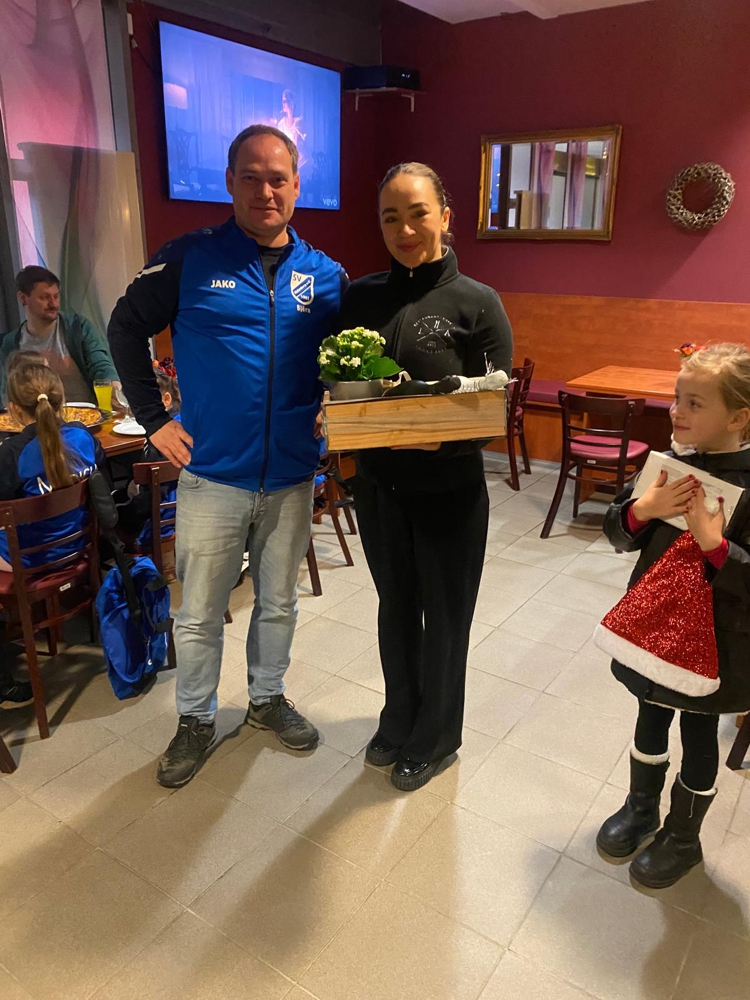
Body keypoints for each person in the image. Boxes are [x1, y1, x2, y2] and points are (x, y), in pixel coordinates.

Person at [108, 124, 348, 789]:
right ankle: (195, 718)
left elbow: (345, 360)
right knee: (199, 614)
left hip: (292, 476)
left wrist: (339, 408)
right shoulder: (189, 258)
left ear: (297, 186)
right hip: (212, 476)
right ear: (230, 183)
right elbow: (124, 327)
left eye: (278, 179)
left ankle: (267, 699)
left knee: (278, 604)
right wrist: (155, 421)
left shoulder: (327, 277)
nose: (266, 191)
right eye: (252, 177)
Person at [336, 162, 513, 791]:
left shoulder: (477, 301)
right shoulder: (360, 298)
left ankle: (437, 736)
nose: (405, 229)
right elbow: (340, 383)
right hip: (379, 489)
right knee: (395, 610)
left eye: (417, 213)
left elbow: (495, 407)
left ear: (445, 216)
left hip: (450, 493)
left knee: (445, 618)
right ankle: (398, 718)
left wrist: (446, 435)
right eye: (391, 217)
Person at [596, 343, 750, 888]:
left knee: (699, 732)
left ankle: (683, 837)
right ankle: (641, 809)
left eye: (694, 403)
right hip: (653, 629)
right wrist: (642, 511)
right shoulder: (669, 466)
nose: (675, 411)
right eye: (676, 398)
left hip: (721, 642)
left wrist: (716, 545)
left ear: (738, 418)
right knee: (649, 713)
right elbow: (617, 532)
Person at [0, 267, 119, 406]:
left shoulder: (78, 327)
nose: (54, 304)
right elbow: (6, 393)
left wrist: (114, 386)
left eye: (56, 296)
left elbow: (100, 365)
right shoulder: (10, 344)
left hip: (87, 414)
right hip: (36, 418)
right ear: (23, 298)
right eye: (44, 297)